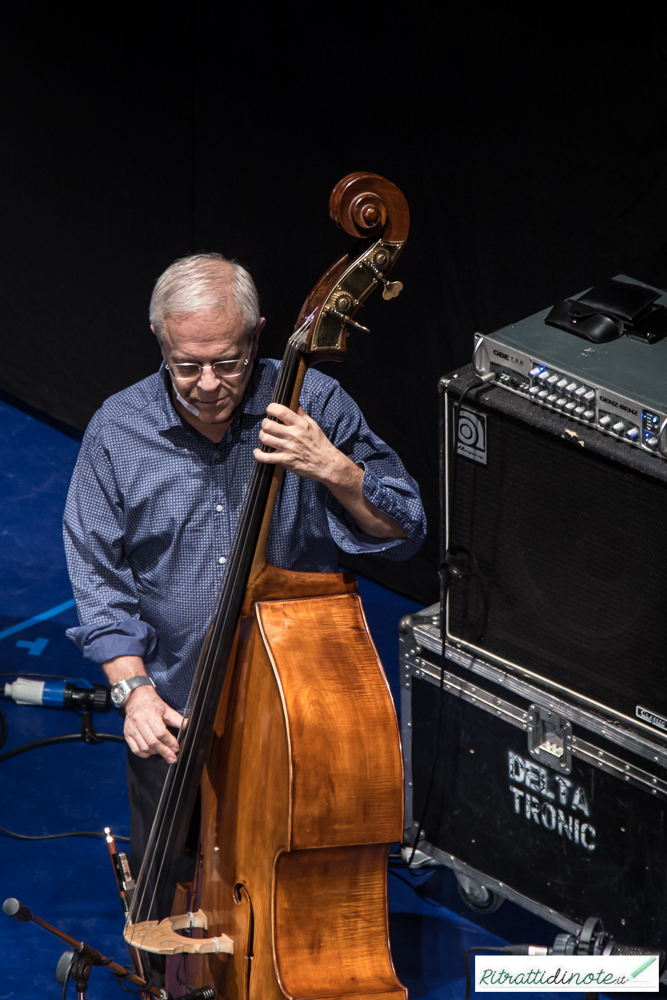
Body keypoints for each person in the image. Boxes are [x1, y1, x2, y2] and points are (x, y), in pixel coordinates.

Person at [63, 252, 426, 934]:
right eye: (186, 365)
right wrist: (130, 691)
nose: (206, 385)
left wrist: (337, 471)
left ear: (257, 337)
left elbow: (405, 530)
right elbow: (98, 579)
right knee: (164, 902)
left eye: (227, 363)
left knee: (297, 905)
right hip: (172, 706)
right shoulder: (117, 431)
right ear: (159, 342)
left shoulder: (311, 405)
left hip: (298, 711)